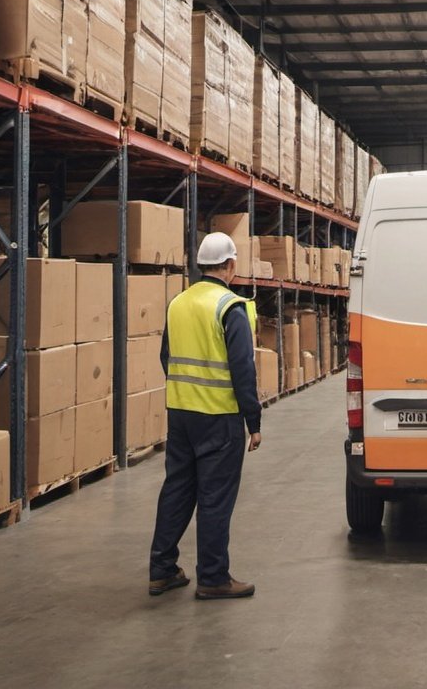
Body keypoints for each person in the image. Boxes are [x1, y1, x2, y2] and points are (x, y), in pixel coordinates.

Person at [148, 232, 263, 600]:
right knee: (215, 497)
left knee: (177, 490)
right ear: (230, 266)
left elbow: (166, 356)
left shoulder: (178, 303)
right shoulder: (231, 307)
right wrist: (254, 422)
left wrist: (186, 392)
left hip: (181, 414)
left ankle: (161, 570)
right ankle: (213, 578)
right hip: (219, 417)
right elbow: (243, 369)